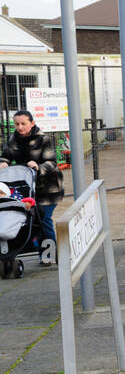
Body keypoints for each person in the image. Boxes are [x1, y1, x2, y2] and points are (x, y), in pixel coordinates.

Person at [0, 110, 63, 265]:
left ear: (32, 123)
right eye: (17, 124)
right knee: (23, 218)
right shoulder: (13, 139)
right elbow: (6, 155)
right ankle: (16, 250)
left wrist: (38, 166)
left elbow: (51, 162)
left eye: (23, 124)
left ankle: (49, 253)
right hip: (26, 189)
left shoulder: (43, 139)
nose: (20, 127)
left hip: (47, 189)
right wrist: (3, 162)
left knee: (44, 219)